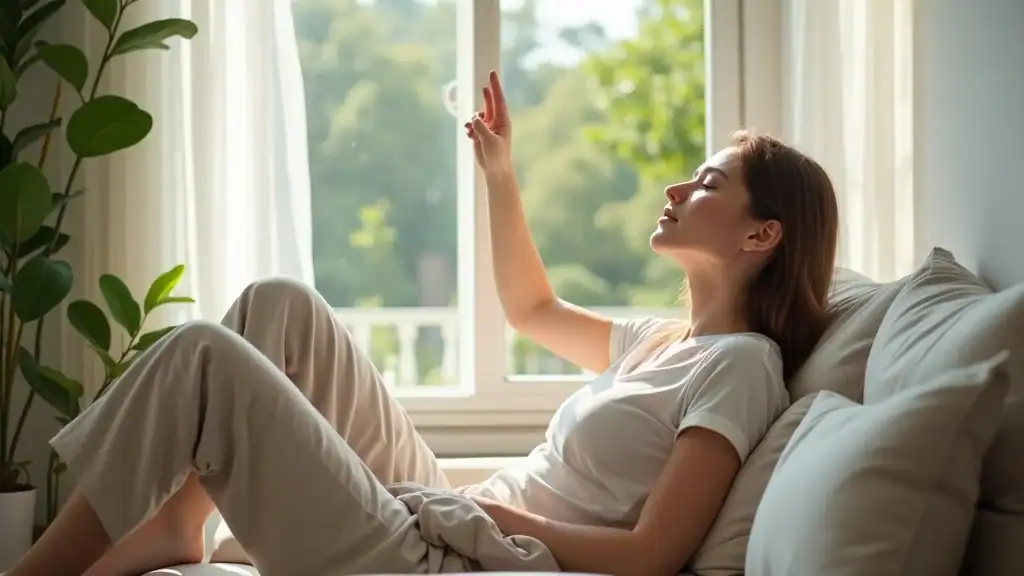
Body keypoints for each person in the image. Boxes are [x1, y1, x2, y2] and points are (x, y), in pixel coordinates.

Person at [7, 71, 839, 576]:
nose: (675, 191)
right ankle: (181, 523)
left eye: (705, 184)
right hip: (452, 510)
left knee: (203, 357)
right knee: (277, 303)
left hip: (464, 555)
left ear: (761, 234)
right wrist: (500, 174)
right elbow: (531, 311)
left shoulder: (739, 368)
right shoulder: (662, 340)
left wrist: (492, 520)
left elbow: (651, 557)